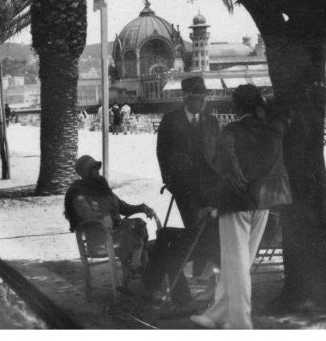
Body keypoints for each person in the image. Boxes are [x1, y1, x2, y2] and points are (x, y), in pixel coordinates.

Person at [191, 84, 292, 330]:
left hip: (236, 203)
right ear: (258, 105)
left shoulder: (231, 130)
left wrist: (224, 189)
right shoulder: (274, 128)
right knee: (239, 263)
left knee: (236, 265)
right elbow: (286, 113)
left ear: (235, 107)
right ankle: (217, 314)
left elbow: (224, 163)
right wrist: (263, 105)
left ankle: (241, 324)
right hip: (264, 202)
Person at [145, 75, 221, 314]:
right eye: (198, 98)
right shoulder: (171, 120)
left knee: (205, 233)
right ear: (187, 98)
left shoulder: (212, 120)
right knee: (194, 231)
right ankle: (191, 277)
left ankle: (200, 275)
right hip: (185, 189)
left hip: (210, 187)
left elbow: (217, 152)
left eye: (204, 98)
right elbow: (161, 153)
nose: (202, 102)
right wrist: (170, 180)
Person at [64, 155, 155, 293]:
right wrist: (103, 216)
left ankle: (134, 271)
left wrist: (142, 208)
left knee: (138, 229)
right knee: (137, 231)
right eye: (93, 169)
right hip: (100, 237)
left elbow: (123, 207)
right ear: (85, 173)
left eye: (97, 168)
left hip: (118, 234)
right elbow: (85, 214)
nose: (97, 172)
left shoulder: (103, 189)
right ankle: (137, 270)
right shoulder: (78, 193)